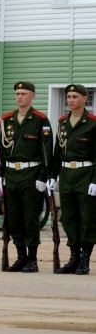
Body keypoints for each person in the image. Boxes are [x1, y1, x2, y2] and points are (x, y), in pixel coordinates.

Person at [0, 81, 53, 273]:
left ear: (32, 96)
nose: (20, 96)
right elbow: (1, 150)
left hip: (31, 174)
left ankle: (32, 259)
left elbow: (47, 151)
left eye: (24, 93)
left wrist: (43, 177)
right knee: (14, 219)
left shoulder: (40, 119)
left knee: (30, 219)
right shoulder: (6, 120)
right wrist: (1, 174)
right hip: (11, 174)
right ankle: (20, 256)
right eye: (17, 93)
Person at [51, 84, 96, 274]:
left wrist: (95, 180)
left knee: (87, 218)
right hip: (67, 175)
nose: (70, 100)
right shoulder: (63, 122)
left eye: (75, 96)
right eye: (68, 96)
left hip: (86, 175)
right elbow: (57, 151)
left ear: (85, 99)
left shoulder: (93, 122)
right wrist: (52, 176)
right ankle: (74, 257)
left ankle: (85, 259)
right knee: (68, 218)